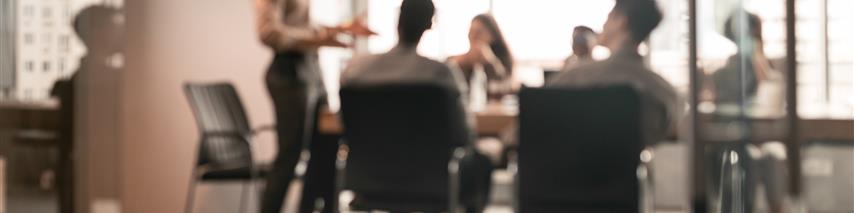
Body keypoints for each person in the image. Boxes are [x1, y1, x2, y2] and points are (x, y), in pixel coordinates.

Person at [341, 0, 493, 212]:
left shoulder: (357, 71)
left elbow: (347, 127)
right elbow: (463, 135)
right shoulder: (440, 74)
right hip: (433, 181)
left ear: (398, 20)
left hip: (369, 180)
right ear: (429, 24)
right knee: (481, 163)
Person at [251, 0, 374, 212]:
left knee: (326, 149)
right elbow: (269, 33)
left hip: (312, 73)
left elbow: (303, 26)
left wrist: (341, 28)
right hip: (290, 76)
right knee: (291, 155)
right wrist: (318, 39)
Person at [548, 0, 682, 146]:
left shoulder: (574, 77)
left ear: (621, 21)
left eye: (609, 16)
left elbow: (542, 112)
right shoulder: (665, 92)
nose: (604, 25)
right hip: (631, 160)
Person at [49, 6, 123, 213]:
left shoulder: (83, 78)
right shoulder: (104, 81)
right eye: (116, 26)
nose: (122, 33)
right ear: (98, 33)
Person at [447, 14, 514, 99]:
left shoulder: (502, 62)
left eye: (479, 32)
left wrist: (491, 62)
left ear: (492, 36)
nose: (473, 36)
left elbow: (508, 86)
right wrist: (457, 65)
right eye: (471, 31)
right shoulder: (456, 60)